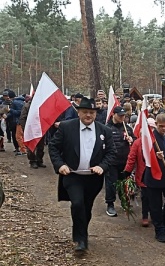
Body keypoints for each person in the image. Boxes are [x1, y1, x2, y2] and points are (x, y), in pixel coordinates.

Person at [48, 97, 116, 254]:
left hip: (93, 178)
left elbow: (111, 152)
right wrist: (60, 165)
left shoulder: (104, 131)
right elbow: (53, 147)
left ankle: (80, 230)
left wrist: (102, 166)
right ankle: (81, 240)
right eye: (85, 112)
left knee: (87, 207)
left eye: (92, 112)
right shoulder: (67, 127)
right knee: (77, 203)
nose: (88, 115)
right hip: (72, 176)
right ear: (78, 112)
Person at [146, 113, 165, 243]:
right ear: (156, 125)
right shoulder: (150, 139)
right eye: (161, 126)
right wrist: (153, 155)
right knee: (155, 205)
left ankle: (164, 221)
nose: (164, 129)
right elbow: (144, 156)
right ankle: (159, 230)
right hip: (154, 176)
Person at [123, 118, 157, 227]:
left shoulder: (156, 142)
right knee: (145, 196)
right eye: (149, 128)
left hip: (156, 174)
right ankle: (145, 216)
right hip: (143, 174)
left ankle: (155, 214)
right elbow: (131, 158)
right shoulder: (138, 143)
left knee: (155, 196)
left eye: (152, 128)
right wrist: (127, 171)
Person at [105, 106, 135, 217]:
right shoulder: (106, 128)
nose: (122, 117)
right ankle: (110, 204)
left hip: (124, 161)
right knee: (111, 183)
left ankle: (125, 202)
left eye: (124, 115)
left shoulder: (127, 128)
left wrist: (131, 139)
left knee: (124, 183)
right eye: (120, 115)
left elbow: (135, 141)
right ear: (114, 115)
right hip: (111, 161)